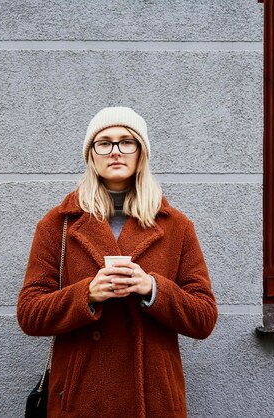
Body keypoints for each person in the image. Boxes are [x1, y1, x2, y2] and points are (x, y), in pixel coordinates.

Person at [17, 106, 217, 418]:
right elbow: (29, 313)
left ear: (141, 152)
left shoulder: (176, 226)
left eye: (127, 141)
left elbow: (204, 317)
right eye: (104, 143)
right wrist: (87, 294)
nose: (115, 152)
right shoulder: (58, 224)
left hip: (154, 401)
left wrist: (152, 288)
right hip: (80, 398)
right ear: (91, 155)